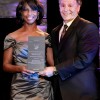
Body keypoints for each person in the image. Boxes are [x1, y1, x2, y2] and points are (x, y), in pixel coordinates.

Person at [40, 0, 99, 100]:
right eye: (62, 5)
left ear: (78, 7)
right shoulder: (55, 31)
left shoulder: (88, 27)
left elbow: (84, 59)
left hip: (81, 91)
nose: (66, 9)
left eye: (70, 5)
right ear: (59, 7)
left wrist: (55, 69)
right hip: (59, 91)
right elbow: (56, 59)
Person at [3, 0, 54, 100]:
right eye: (26, 10)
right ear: (21, 13)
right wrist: (20, 68)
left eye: (33, 10)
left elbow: (52, 64)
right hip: (19, 89)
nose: (29, 13)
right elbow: (5, 65)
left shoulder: (46, 37)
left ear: (38, 13)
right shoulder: (11, 37)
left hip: (41, 89)